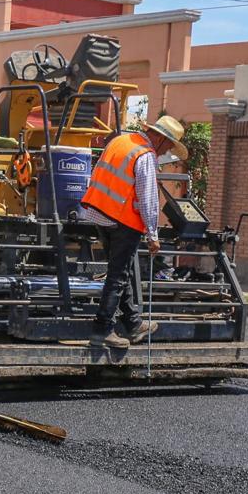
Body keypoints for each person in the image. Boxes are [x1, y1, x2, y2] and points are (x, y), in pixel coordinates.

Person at [80, 115, 188, 349]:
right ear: (159, 138)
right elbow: (148, 197)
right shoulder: (145, 154)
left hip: (100, 212)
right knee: (118, 276)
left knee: (122, 271)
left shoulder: (120, 141)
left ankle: (133, 323)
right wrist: (153, 235)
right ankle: (102, 329)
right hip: (123, 219)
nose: (167, 151)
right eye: (169, 145)